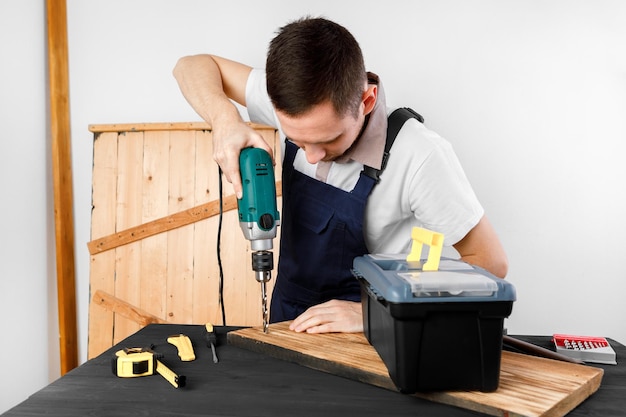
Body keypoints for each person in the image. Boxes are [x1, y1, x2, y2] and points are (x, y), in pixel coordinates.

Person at [173, 16, 508, 334]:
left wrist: (373, 312)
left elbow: (490, 263)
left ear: (366, 100)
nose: (311, 155)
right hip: (289, 312)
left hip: (375, 331)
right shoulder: (295, 99)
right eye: (297, 140)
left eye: (328, 139)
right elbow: (191, 65)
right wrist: (225, 120)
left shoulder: (421, 156)